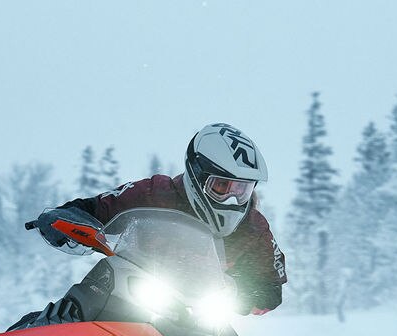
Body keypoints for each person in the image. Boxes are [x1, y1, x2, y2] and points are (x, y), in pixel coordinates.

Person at [35, 123, 286, 315]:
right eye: (221, 186)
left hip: (198, 319)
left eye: (241, 189)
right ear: (197, 175)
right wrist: (63, 219)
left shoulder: (253, 227)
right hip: (127, 302)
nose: (232, 198)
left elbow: (270, 288)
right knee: (74, 321)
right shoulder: (154, 194)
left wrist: (235, 291)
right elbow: (94, 208)